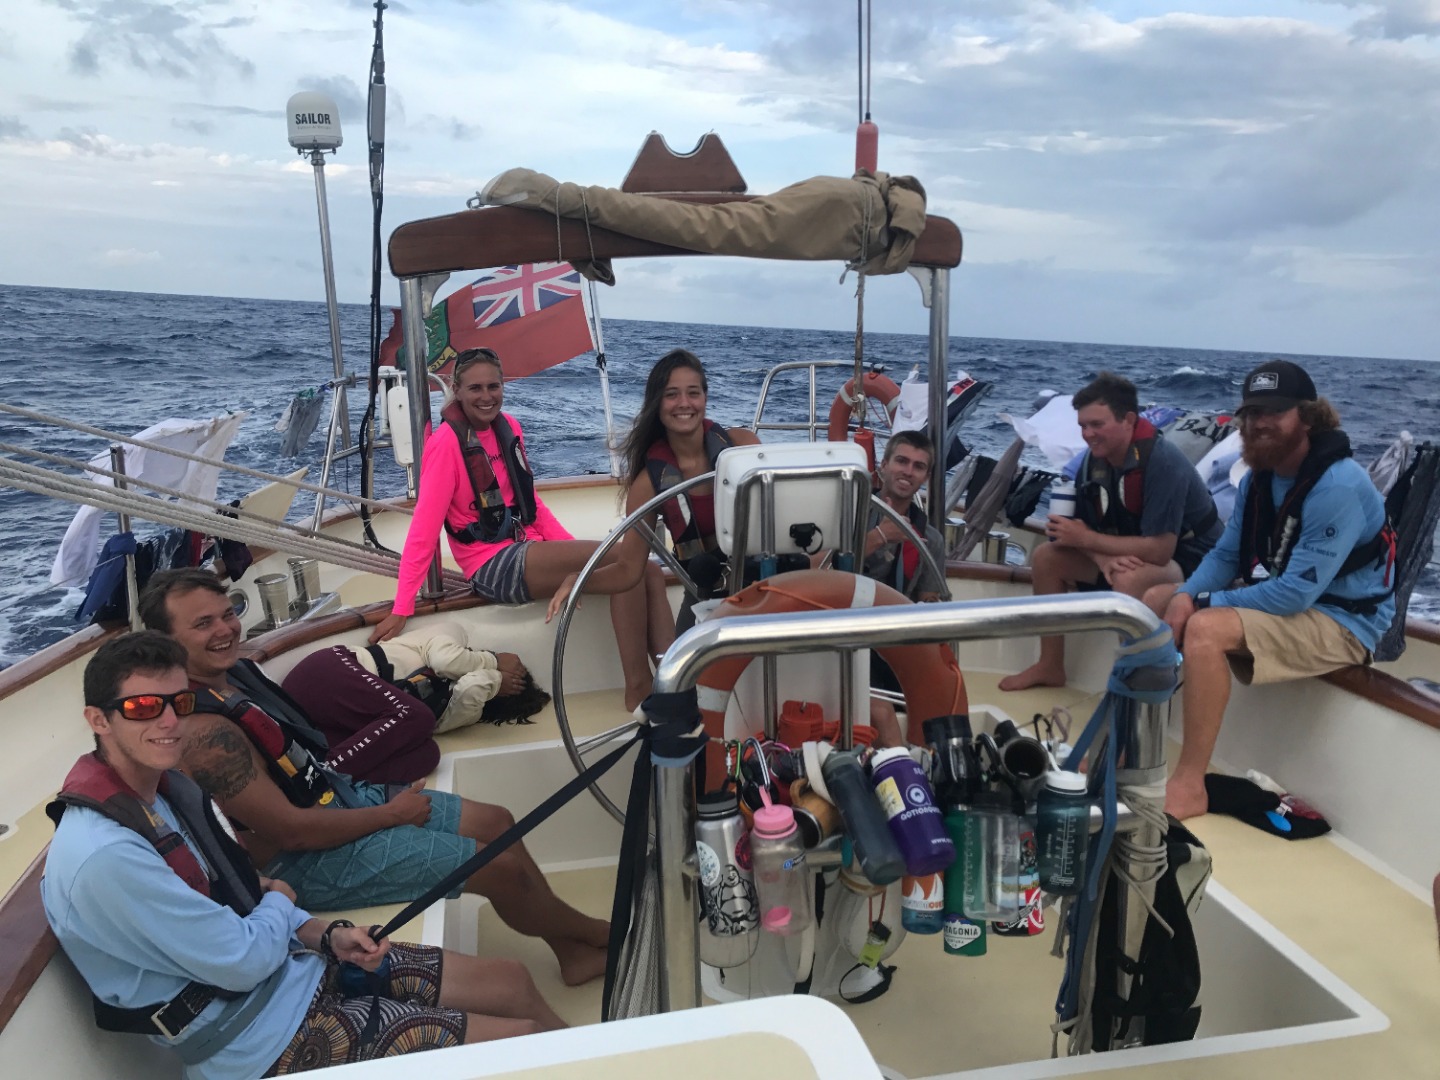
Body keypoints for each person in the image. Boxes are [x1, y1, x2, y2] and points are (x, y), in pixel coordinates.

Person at [43, 631, 564, 1078]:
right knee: (523, 1045)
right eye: (142, 708)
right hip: (260, 1041)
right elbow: (243, 959)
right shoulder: (105, 856)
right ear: (98, 719)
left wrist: (326, 934)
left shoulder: (165, 794)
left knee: (511, 982)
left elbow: (242, 891)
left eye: (178, 703)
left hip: (297, 970)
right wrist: (281, 898)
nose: (168, 721)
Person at [139, 568, 610, 987]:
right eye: (203, 624)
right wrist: (391, 815)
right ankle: (595, 933)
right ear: (166, 641)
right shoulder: (203, 734)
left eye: (227, 614)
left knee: (496, 821)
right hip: (302, 860)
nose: (225, 630)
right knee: (498, 867)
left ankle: (572, 954)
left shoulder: (236, 675)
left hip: (333, 799)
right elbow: (291, 833)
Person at [1144, 360, 1395, 819]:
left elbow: (1293, 595)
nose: (1259, 422)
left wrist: (1199, 603)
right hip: (1297, 606)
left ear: (1308, 417)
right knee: (1154, 601)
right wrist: (1182, 597)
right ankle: (1128, 749)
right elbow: (1225, 555)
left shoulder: (1337, 485)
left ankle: (1190, 785)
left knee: (1204, 628)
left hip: (1345, 624)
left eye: (1275, 411)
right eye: (1252, 412)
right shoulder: (1260, 477)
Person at [368, 347, 667, 705]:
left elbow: (532, 505)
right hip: (491, 565)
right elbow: (424, 529)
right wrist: (402, 607)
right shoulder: (446, 444)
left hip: (527, 548)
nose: (486, 396)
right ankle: (639, 690)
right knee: (625, 562)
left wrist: (573, 550)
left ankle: (674, 684)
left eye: (493, 386)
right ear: (456, 390)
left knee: (647, 569)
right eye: (475, 388)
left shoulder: (509, 427)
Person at [1001, 372, 1223, 692]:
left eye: (1097, 424)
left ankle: (1130, 680)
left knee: (1128, 578)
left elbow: (1160, 550)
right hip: (1133, 554)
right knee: (1046, 557)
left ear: (1129, 420)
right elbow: (1071, 533)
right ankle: (1050, 665)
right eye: (1083, 425)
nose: (1088, 434)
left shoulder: (1163, 462)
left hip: (1191, 563)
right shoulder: (1094, 462)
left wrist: (1090, 541)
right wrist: (1100, 557)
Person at [609, 349, 761, 681]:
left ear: (705, 397)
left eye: (693, 393)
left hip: (762, 586)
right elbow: (628, 571)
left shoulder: (744, 446)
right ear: (657, 403)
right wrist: (575, 582)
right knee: (682, 684)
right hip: (705, 593)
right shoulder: (648, 484)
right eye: (671, 395)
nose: (684, 403)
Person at [279, 620, 549, 785]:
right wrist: (493, 660)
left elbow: (471, 689)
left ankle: (322, 775)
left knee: (428, 754)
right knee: (417, 717)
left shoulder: (453, 705)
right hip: (327, 672)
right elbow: (445, 661)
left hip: (331, 724)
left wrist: (494, 680)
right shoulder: (453, 634)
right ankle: (324, 777)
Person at [854, 430, 947, 746]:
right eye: (901, 461)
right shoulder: (850, 512)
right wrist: (880, 536)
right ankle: (904, 773)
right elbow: (820, 567)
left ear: (926, 477)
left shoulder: (930, 540)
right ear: (883, 466)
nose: (908, 471)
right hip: (846, 633)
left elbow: (928, 596)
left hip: (894, 639)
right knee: (882, 713)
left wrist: (932, 610)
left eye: (918, 466)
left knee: (939, 699)